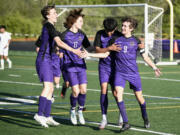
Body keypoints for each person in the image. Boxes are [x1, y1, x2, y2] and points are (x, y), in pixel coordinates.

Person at [34, 5, 84, 128]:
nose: (56, 14)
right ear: (47, 15)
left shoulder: (51, 28)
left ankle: (47, 116)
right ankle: (39, 114)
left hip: (49, 59)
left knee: (51, 89)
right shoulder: (48, 26)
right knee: (47, 87)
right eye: (54, 13)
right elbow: (59, 43)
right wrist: (74, 50)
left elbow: (51, 42)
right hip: (44, 59)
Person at [61, 8, 109, 126]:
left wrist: (104, 48)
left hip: (81, 66)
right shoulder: (64, 35)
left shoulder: (82, 34)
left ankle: (80, 110)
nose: (82, 23)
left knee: (83, 90)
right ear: (74, 21)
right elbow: (59, 52)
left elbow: (89, 47)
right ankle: (72, 110)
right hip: (70, 67)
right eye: (80, 21)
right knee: (76, 92)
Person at [113, 17, 162, 132]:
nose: (123, 27)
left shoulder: (137, 42)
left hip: (133, 73)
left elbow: (145, 57)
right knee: (117, 93)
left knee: (139, 98)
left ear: (132, 28)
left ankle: (145, 117)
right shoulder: (116, 39)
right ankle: (125, 122)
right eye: (123, 25)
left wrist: (154, 67)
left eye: (125, 26)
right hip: (120, 73)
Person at [93, 18, 123, 129]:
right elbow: (97, 50)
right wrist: (109, 48)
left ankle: (121, 115)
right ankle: (104, 118)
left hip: (116, 68)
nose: (109, 33)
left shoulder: (119, 35)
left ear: (115, 28)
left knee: (116, 93)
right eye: (107, 30)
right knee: (103, 89)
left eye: (111, 31)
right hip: (104, 66)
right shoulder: (99, 34)